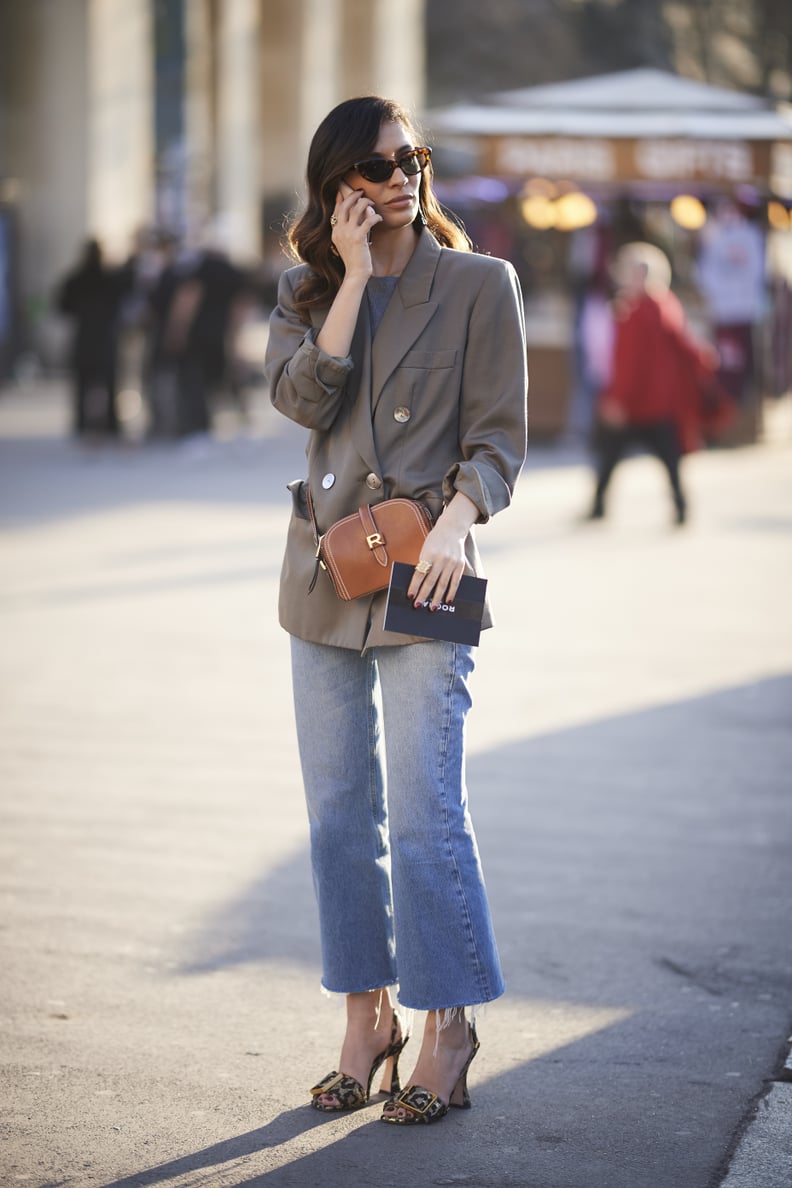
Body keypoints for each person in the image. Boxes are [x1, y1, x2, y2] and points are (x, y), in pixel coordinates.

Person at [263, 96, 528, 1126]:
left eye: (412, 157)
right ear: (341, 189)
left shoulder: (479, 283)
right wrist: (353, 278)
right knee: (338, 820)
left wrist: (460, 520)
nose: (403, 175)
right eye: (379, 165)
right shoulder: (305, 292)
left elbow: (499, 439)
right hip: (324, 574)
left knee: (425, 817)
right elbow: (302, 404)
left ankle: (449, 1025)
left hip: (431, 569)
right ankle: (365, 1019)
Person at [586, 242, 729, 526]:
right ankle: (678, 508)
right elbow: (689, 349)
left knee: (614, 455)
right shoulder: (666, 304)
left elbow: (629, 363)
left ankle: (600, 507)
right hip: (661, 402)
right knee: (666, 460)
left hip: (638, 404)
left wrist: (617, 399)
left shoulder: (637, 311)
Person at [56, 238, 133, 438]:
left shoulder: (76, 279)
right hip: (105, 337)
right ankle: (110, 424)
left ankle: (83, 424)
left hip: (86, 336)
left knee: (84, 384)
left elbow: (63, 307)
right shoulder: (109, 279)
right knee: (107, 382)